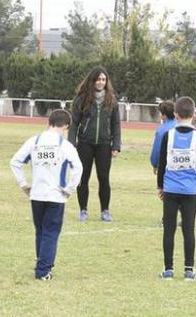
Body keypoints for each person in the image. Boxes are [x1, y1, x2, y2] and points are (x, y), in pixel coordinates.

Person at [10, 109, 83, 280]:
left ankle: (42, 261)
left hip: (37, 194)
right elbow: (78, 168)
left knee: (41, 231)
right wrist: (69, 189)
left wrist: (23, 184)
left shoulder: (34, 141)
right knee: (51, 232)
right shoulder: (65, 145)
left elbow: (15, 161)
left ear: (49, 122)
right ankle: (43, 270)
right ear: (66, 126)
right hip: (56, 195)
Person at [156, 97, 196, 281]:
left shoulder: (167, 135)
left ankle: (168, 269)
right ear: (194, 115)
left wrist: (160, 186)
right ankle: (189, 269)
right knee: (189, 229)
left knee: (169, 229)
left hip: (170, 190)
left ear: (176, 115)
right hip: (189, 192)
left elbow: (162, 163)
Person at [68, 67, 122, 222]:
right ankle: (83, 210)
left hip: (104, 145)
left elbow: (116, 124)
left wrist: (116, 145)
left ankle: (105, 211)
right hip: (85, 144)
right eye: (98, 79)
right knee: (83, 178)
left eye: (104, 79)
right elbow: (74, 124)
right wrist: (71, 144)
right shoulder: (82, 99)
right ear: (92, 81)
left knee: (104, 178)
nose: (101, 82)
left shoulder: (112, 100)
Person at [150, 100, 177, 174]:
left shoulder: (161, 131)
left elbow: (157, 150)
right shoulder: (180, 126)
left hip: (166, 168)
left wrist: (155, 164)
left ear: (163, 115)